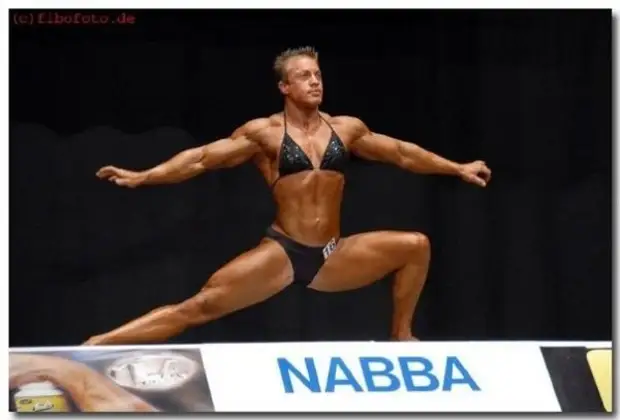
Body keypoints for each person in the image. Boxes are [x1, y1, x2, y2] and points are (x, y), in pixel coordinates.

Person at [85, 46, 491, 345]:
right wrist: (144, 177)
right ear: (284, 86)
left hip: (333, 253)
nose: (315, 82)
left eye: (318, 75)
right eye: (304, 76)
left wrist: (457, 168)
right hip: (284, 252)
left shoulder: (346, 128)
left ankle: (401, 334)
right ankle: (95, 345)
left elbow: (402, 153)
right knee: (198, 307)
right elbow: (200, 160)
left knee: (416, 246)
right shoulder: (263, 133)